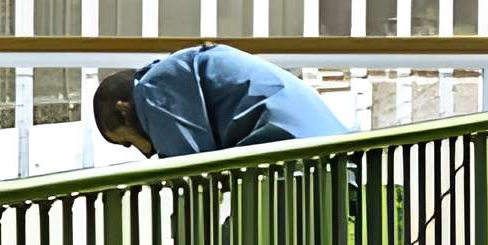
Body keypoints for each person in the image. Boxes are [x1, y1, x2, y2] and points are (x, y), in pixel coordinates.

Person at [92, 44, 349, 157]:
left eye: (127, 142)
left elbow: (189, 173)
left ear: (124, 109)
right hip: (329, 147)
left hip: (295, 153)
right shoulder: (176, 70)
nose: (144, 152)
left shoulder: (151, 91)